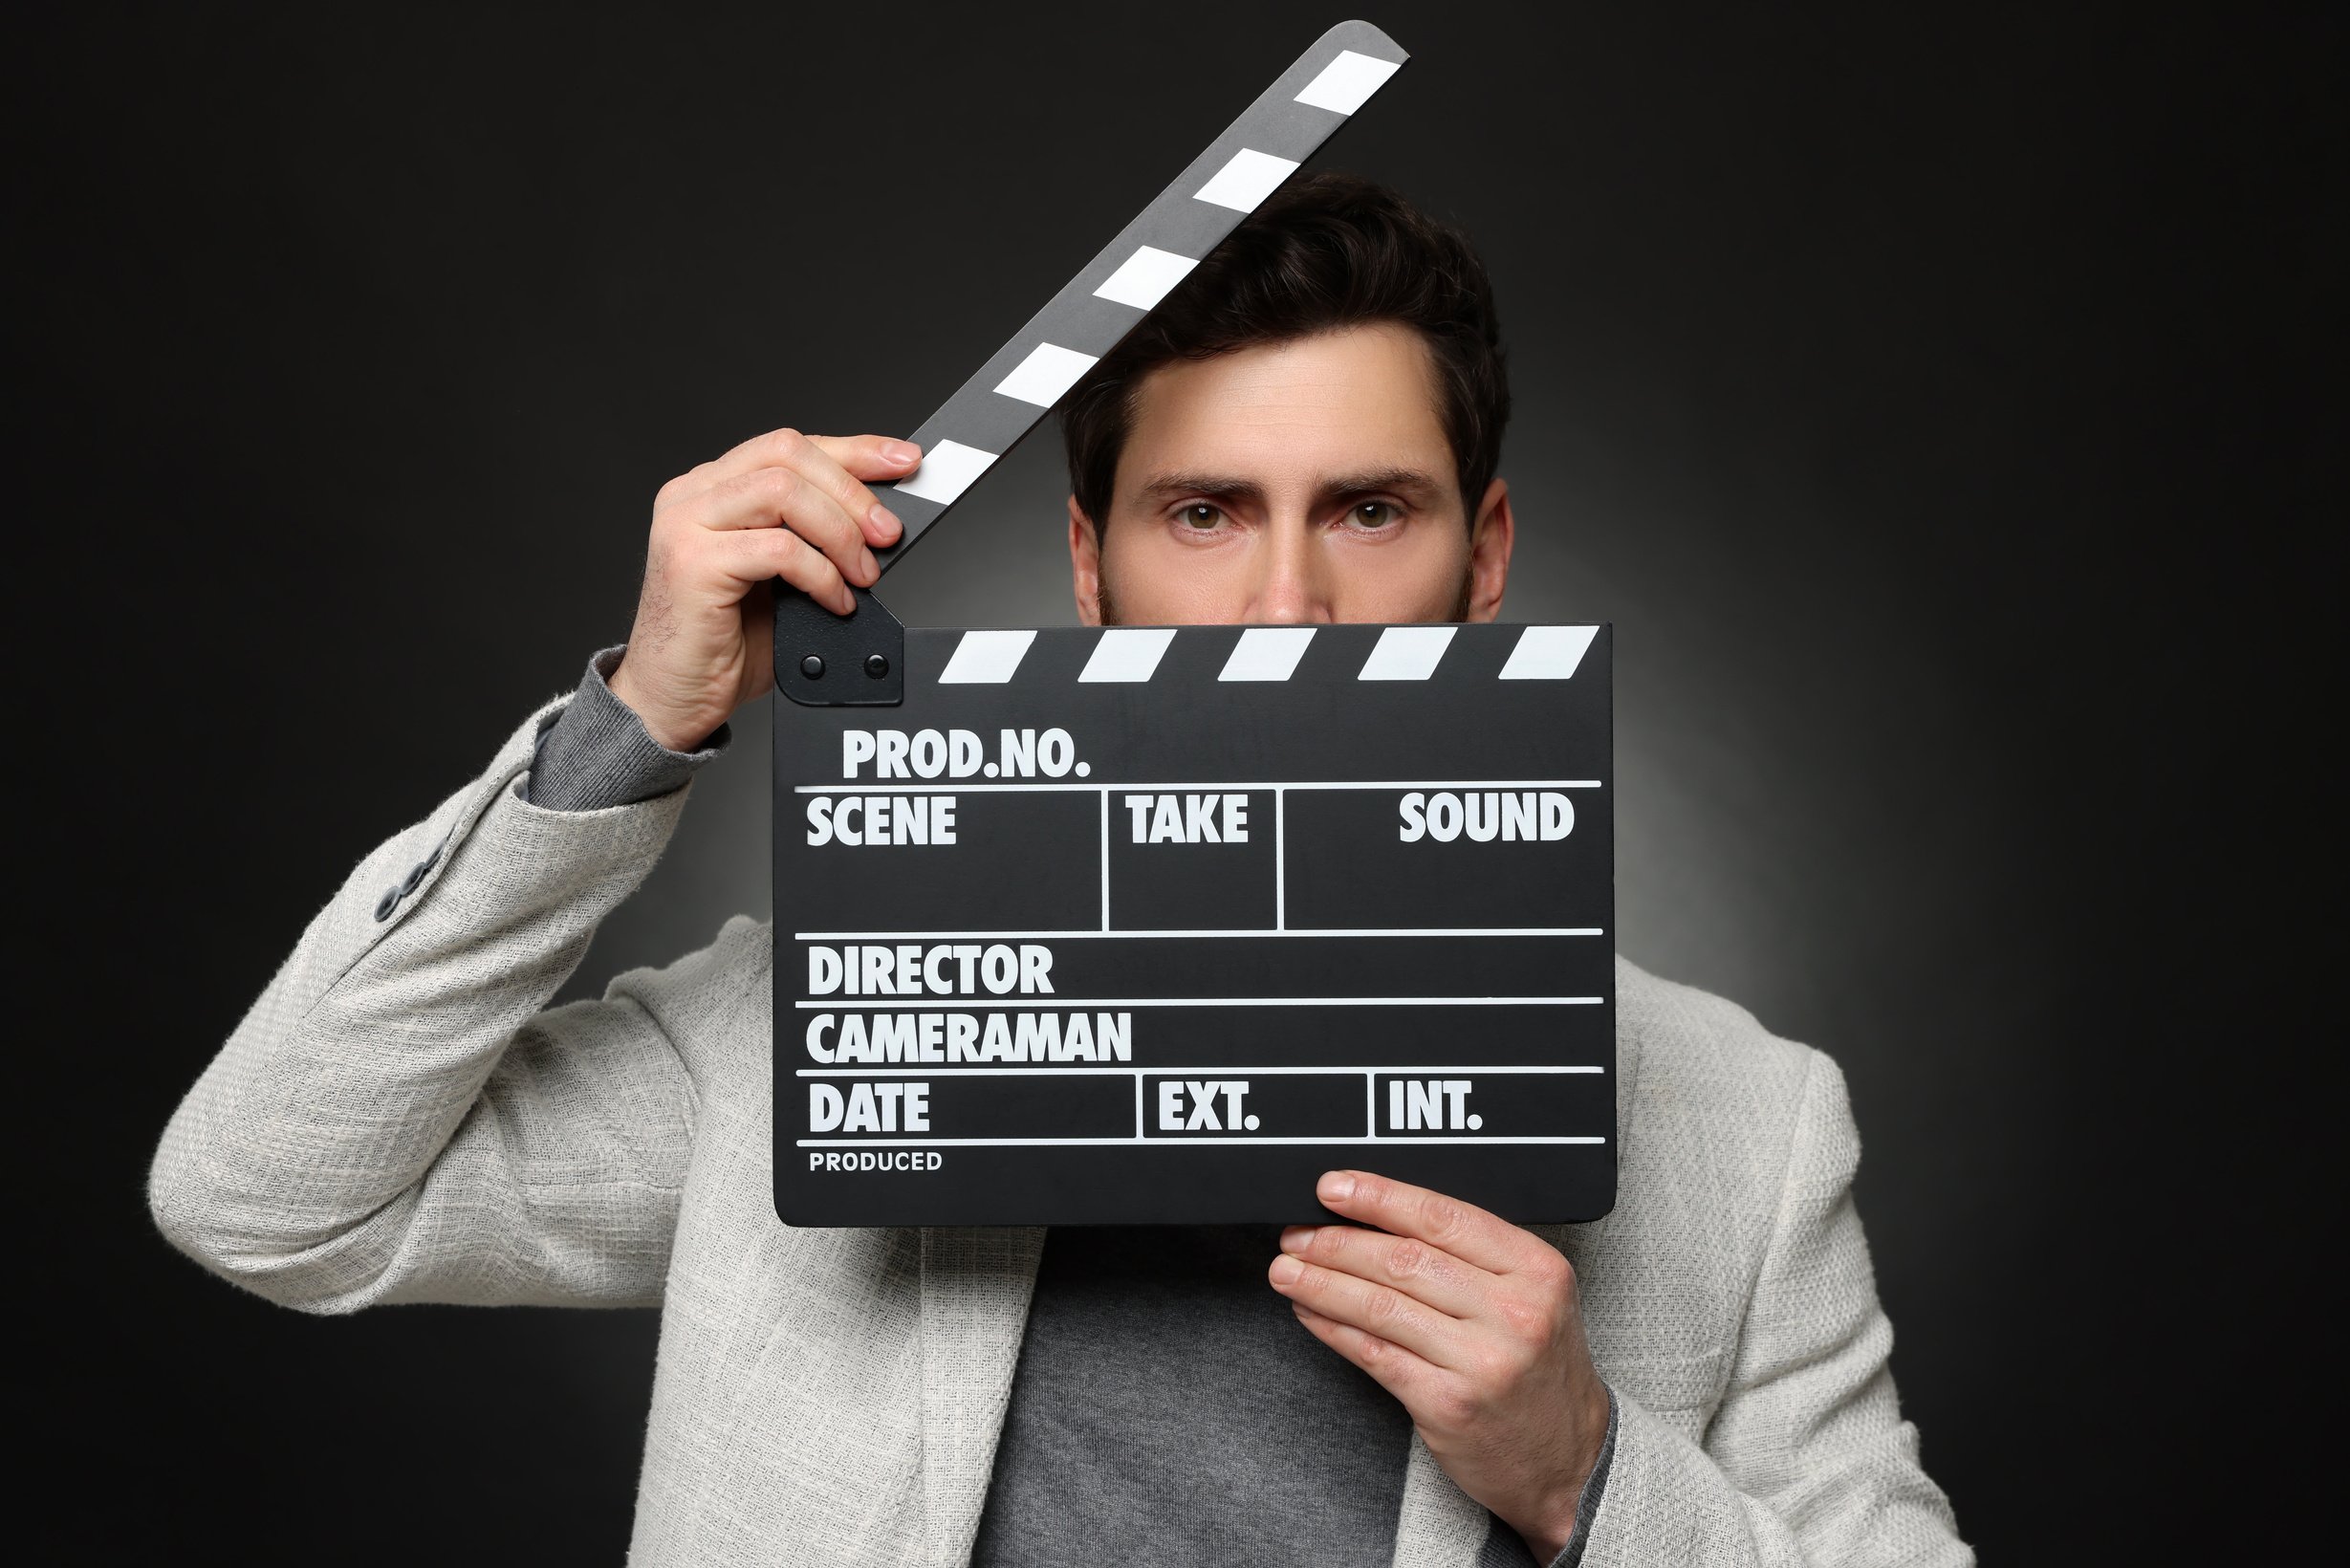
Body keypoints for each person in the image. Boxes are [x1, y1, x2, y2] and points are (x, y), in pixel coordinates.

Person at [148, 174, 1970, 1567]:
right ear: (1090, 568)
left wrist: (1586, 1473)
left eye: (1369, 508)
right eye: (1204, 513)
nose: (1287, 603)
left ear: (1480, 556)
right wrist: (638, 719)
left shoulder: (1743, 1128)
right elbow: (274, 1199)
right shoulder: (822, 1027)